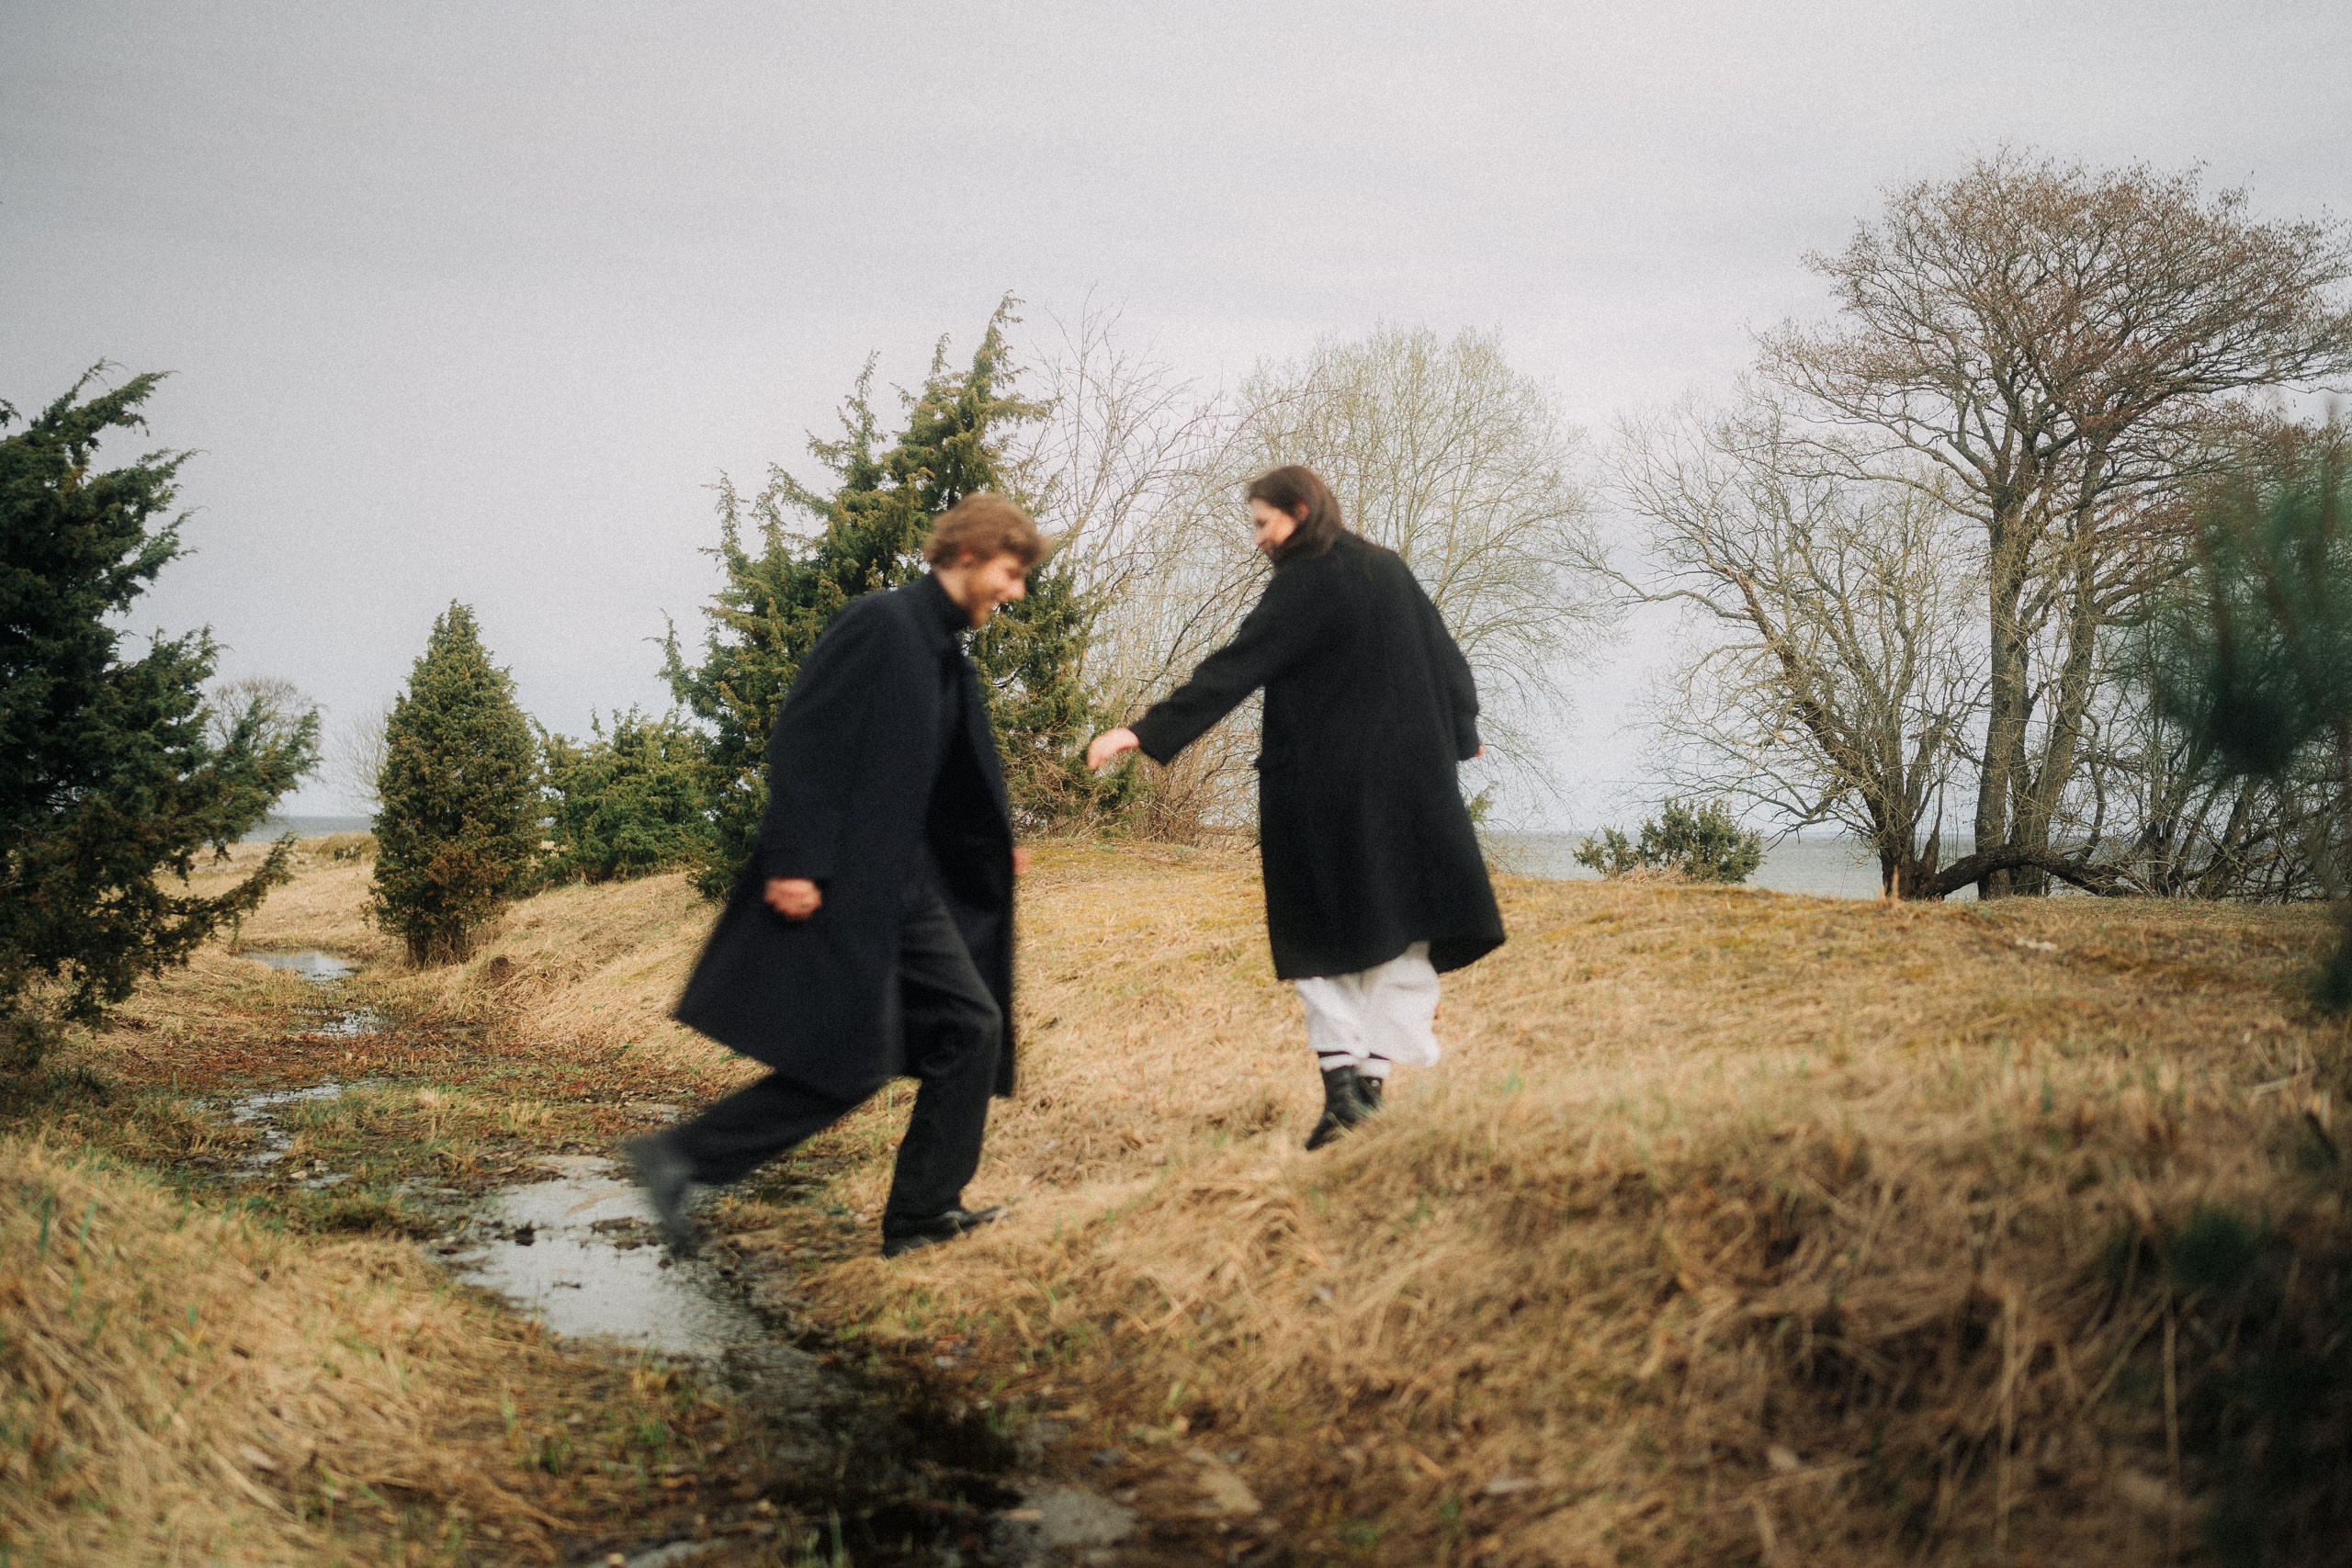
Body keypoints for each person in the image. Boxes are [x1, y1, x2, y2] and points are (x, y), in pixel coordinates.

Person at [628, 494, 1044, 1257]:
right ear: (969, 554)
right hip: (844, 879)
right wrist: (793, 861)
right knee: (855, 1057)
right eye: (1011, 574)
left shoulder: (943, 652)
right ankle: (684, 1154)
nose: (1014, 593)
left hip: (904, 884)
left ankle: (923, 1211)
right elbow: (806, 739)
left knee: (970, 1026)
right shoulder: (882, 625)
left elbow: (947, 775)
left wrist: (992, 844)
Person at [1086, 465, 1504, 1148]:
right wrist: (1463, 733)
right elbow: (1449, 658)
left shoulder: (1305, 580)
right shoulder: (1388, 569)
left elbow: (1236, 664)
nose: (1258, 540)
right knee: (1398, 930)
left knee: (1317, 933)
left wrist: (1144, 730)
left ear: (1299, 511)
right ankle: (1366, 1087)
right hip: (1407, 790)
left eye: (1263, 523)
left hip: (1325, 793)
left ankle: (1346, 1086)